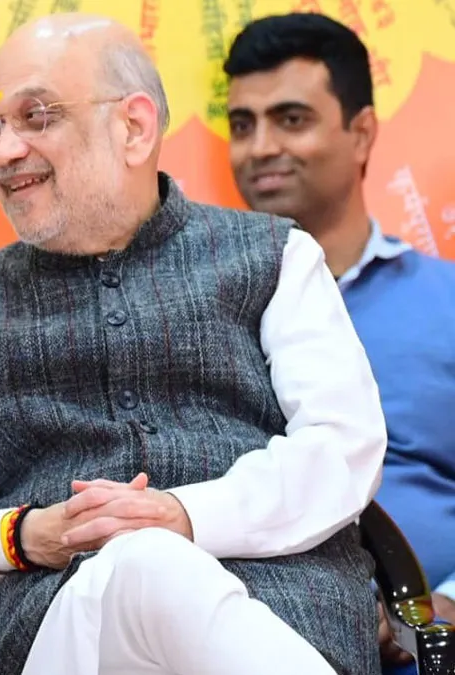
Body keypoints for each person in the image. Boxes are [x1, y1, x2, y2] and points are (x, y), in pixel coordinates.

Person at [0, 12, 387, 675]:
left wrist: (182, 514)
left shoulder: (274, 257)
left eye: (35, 117)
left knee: (152, 560)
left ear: (134, 128)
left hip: (285, 613)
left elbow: (342, 449)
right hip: (61, 626)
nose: (3, 153)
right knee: (144, 566)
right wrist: (25, 534)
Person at [224, 13, 455, 672]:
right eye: (242, 125)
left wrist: (442, 607)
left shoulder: (445, 304)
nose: (260, 147)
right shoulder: (194, 317)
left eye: (291, 119)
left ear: (362, 132)